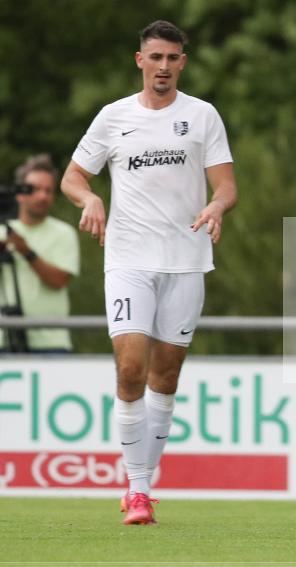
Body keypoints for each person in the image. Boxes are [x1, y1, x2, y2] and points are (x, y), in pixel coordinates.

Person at [60, 20, 237, 525]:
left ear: (183, 62)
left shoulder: (202, 116)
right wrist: (90, 197)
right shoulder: (114, 117)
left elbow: (225, 186)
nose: (163, 67)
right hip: (128, 260)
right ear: (140, 60)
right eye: (154, 57)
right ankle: (138, 491)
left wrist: (218, 208)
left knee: (166, 376)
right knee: (131, 368)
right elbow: (74, 177)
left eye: (172, 58)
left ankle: (142, 483)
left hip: (186, 261)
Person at [1, 154, 79, 352]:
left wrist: (26, 252)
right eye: (33, 189)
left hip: (51, 343)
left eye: (48, 191)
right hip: (4, 339)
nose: (42, 196)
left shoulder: (64, 233)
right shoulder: (2, 232)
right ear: (19, 193)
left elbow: (59, 280)